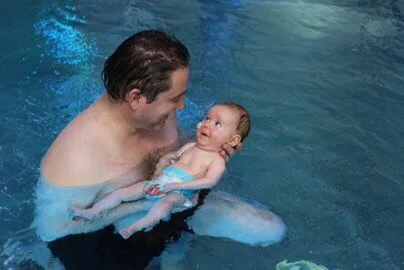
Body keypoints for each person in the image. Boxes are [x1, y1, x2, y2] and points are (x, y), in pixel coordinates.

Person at [33, 29, 285, 269]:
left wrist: (209, 154)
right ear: (136, 97)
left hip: (172, 199)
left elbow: (185, 156)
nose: (182, 106)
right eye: (175, 98)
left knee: (269, 228)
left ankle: (174, 245)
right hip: (109, 234)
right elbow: (57, 232)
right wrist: (141, 204)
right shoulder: (78, 158)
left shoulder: (157, 115)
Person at [70, 102, 251, 239]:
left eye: (217, 124)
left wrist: (173, 187)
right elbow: (170, 159)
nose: (207, 124)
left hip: (180, 192)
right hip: (160, 183)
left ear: (233, 140)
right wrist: (163, 165)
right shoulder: (189, 146)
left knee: (165, 205)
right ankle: (92, 212)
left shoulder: (216, 160)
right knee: (122, 193)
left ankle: (137, 226)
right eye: (207, 118)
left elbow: (209, 181)